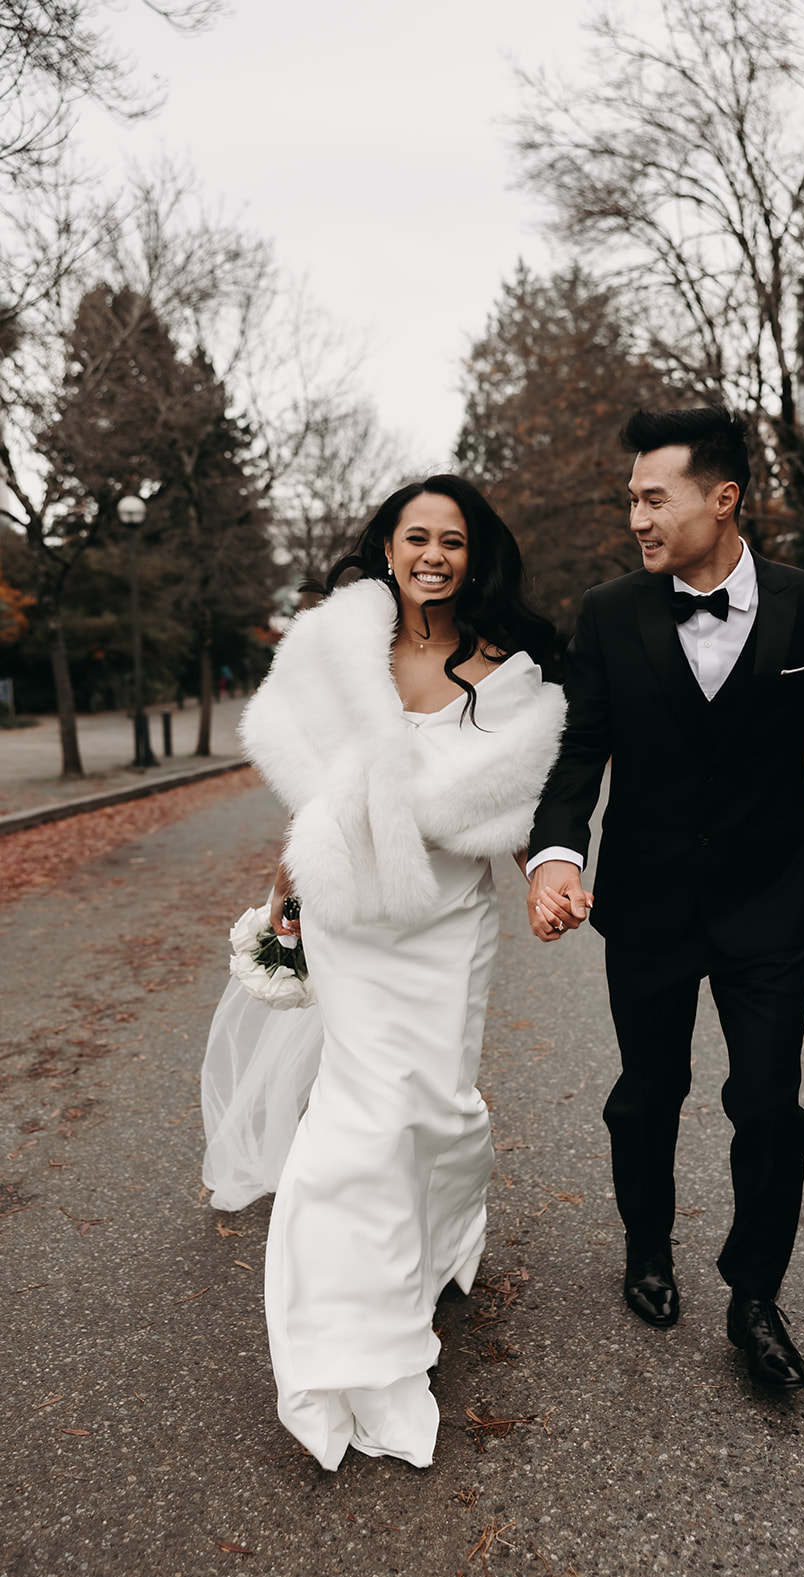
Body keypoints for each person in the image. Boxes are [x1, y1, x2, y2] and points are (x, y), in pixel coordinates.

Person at [525, 407, 804, 1391]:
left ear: (722, 498)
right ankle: (645, 1249)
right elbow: (580, 748)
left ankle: (753, 1294)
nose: (634, 514)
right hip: (646, 901)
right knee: (646, 1094)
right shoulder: (609, 611)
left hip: (765, 902)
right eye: (630, 497)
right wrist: (554, 850)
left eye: (651, 495)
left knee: (766, 1102)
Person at [200, 475, 565, 1470]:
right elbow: (321, 795)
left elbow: (520, 809)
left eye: (452, 539)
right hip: (352, 918)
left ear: (473, 555)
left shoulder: (512, 674)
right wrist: (287, 879)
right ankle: (348, 1351)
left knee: (436, 1109)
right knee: (351, 1129)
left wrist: (549, 872)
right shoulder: (335, 649)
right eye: (416, 536)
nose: (433, 554)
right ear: (388, 546)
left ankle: (443, 1231)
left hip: (448, 921)